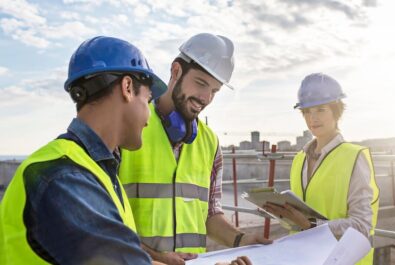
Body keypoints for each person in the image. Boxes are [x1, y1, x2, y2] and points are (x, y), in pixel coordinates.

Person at [0, 36, 248, 265]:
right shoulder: (65, 178)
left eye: (214, 91)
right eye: (147, 98)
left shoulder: (93, 169)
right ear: (127, 88)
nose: (149, 116)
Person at [119, 33, 271, 265]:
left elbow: (210, 215)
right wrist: (155, 257)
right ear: (176, 71)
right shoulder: (128, 129)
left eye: (214, 91)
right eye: (200, 83)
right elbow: (103, 220)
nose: (205, 98)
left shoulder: (209, 142)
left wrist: (242, 239)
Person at [264, 73, 379, 265]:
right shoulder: (299, 159)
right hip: (303, 259)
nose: (313, 118)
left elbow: (362, 225)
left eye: (321, 109)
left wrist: (311, 225)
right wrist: (283, 214)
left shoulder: (354, 157)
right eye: (307, 111)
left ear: (336, 112)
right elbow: (298, 221)